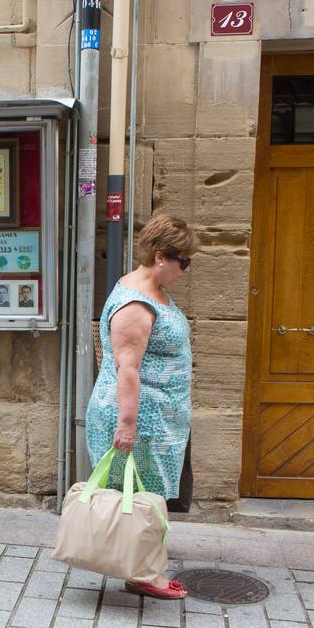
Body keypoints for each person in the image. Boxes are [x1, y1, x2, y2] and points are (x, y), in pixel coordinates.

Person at [84, 212, 197, 598]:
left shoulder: (154, 291)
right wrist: (128, 424)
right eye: (184, 262)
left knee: (148, 493)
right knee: (144, 496)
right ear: (162, 256)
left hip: (160, 418)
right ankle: (144, 575)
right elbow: (127, 368)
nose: (187, 270)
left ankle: (139, 567)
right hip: (141, 420)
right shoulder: (134, 304)